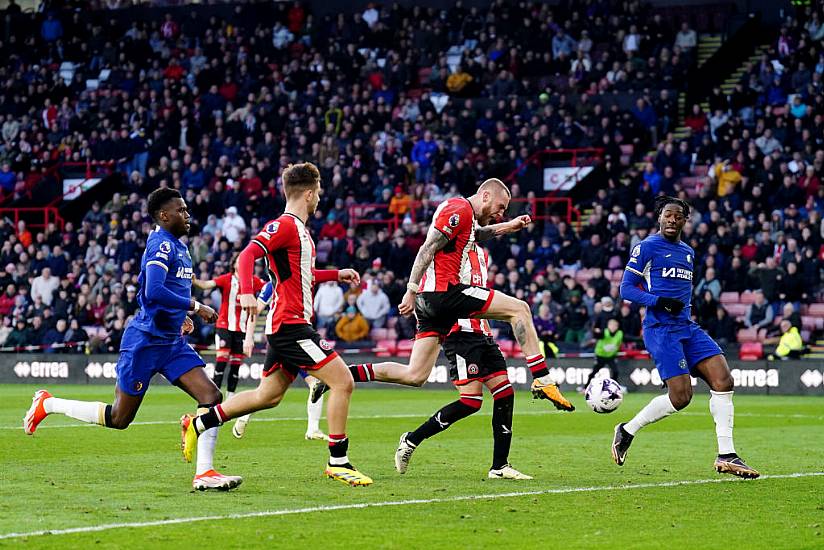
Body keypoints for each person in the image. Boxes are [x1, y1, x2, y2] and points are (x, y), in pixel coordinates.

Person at [23, 188, 242, 491]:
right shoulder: (161, 245)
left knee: (211, 397)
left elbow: (166, 293)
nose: (187, 215)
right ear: (164, 216)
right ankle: (49, 404)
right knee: (119, 418)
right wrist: (195, 306)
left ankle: (205, 473)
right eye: (181, 210)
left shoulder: (180, 246)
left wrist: (180, 316)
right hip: (146, 341)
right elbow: (153, 291)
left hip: (171, 342)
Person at [179, 163, 372, 487]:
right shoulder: (285, 226)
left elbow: (302, 276)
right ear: (309, 193)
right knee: (342, 382)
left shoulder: (299, 231)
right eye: (319, 193)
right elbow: (245, 256)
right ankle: (338, 460)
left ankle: (198, 424)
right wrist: (249, 293)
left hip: (289, 324)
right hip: (290, 325)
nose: (320, 199)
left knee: (267, 396)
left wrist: (335, 274)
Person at [313, 178, 574, 412]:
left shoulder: (466, 217)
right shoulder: (458, 209)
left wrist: (508, 226)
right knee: (520, 309)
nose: (500, 213)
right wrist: (410, 290)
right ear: (485, 195)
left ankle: (341, 375)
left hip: (434, 302)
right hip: (447, 293)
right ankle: (542, 378)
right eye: (501, 206)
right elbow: (427, 249)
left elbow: (477, 234)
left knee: (414, 375)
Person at [612, 196, 759, 479]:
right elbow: (626, 289)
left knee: (724, 380)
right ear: (659, 217)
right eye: (668, 215)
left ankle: (727, 454)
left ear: (685, 220)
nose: (672, 220)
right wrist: (658, 301)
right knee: (681, 397)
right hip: (660, 329)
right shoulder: (646, 248)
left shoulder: (688, 252)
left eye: (678, 216)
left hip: (686, 327)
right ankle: (627, 430)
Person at [394, 244, 531, 479]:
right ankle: (411, 439)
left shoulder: (480, 253)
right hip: (459, 333)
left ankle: (499, 466)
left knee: (505, 393)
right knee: (470, 401)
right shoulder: (448, 249)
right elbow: (436, 289)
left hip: (483, 332)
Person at [192, 254, 267, 438]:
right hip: (225, 326)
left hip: (241, 329)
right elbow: (208, 284)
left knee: (235, 366)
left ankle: (231, 402)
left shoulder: (253, 281)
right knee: (221, 361)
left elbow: (268, 288)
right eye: (238, 261)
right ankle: (214, 399)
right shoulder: (227, 279)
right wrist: (195, 281)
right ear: (233, 264)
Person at [582, 318, 624, 391]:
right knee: (594, 372)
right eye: (611, 325)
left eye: (615, 326)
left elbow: (626, 339)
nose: (613, 327)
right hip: (600, 356)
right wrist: (595, 331)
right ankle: (585, 387)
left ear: (617, 327)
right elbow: (597, 335)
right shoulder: (604, 333)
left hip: (611, 356)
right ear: (608, 326)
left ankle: (614, 388)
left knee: (615, 371)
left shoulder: (620, 334)